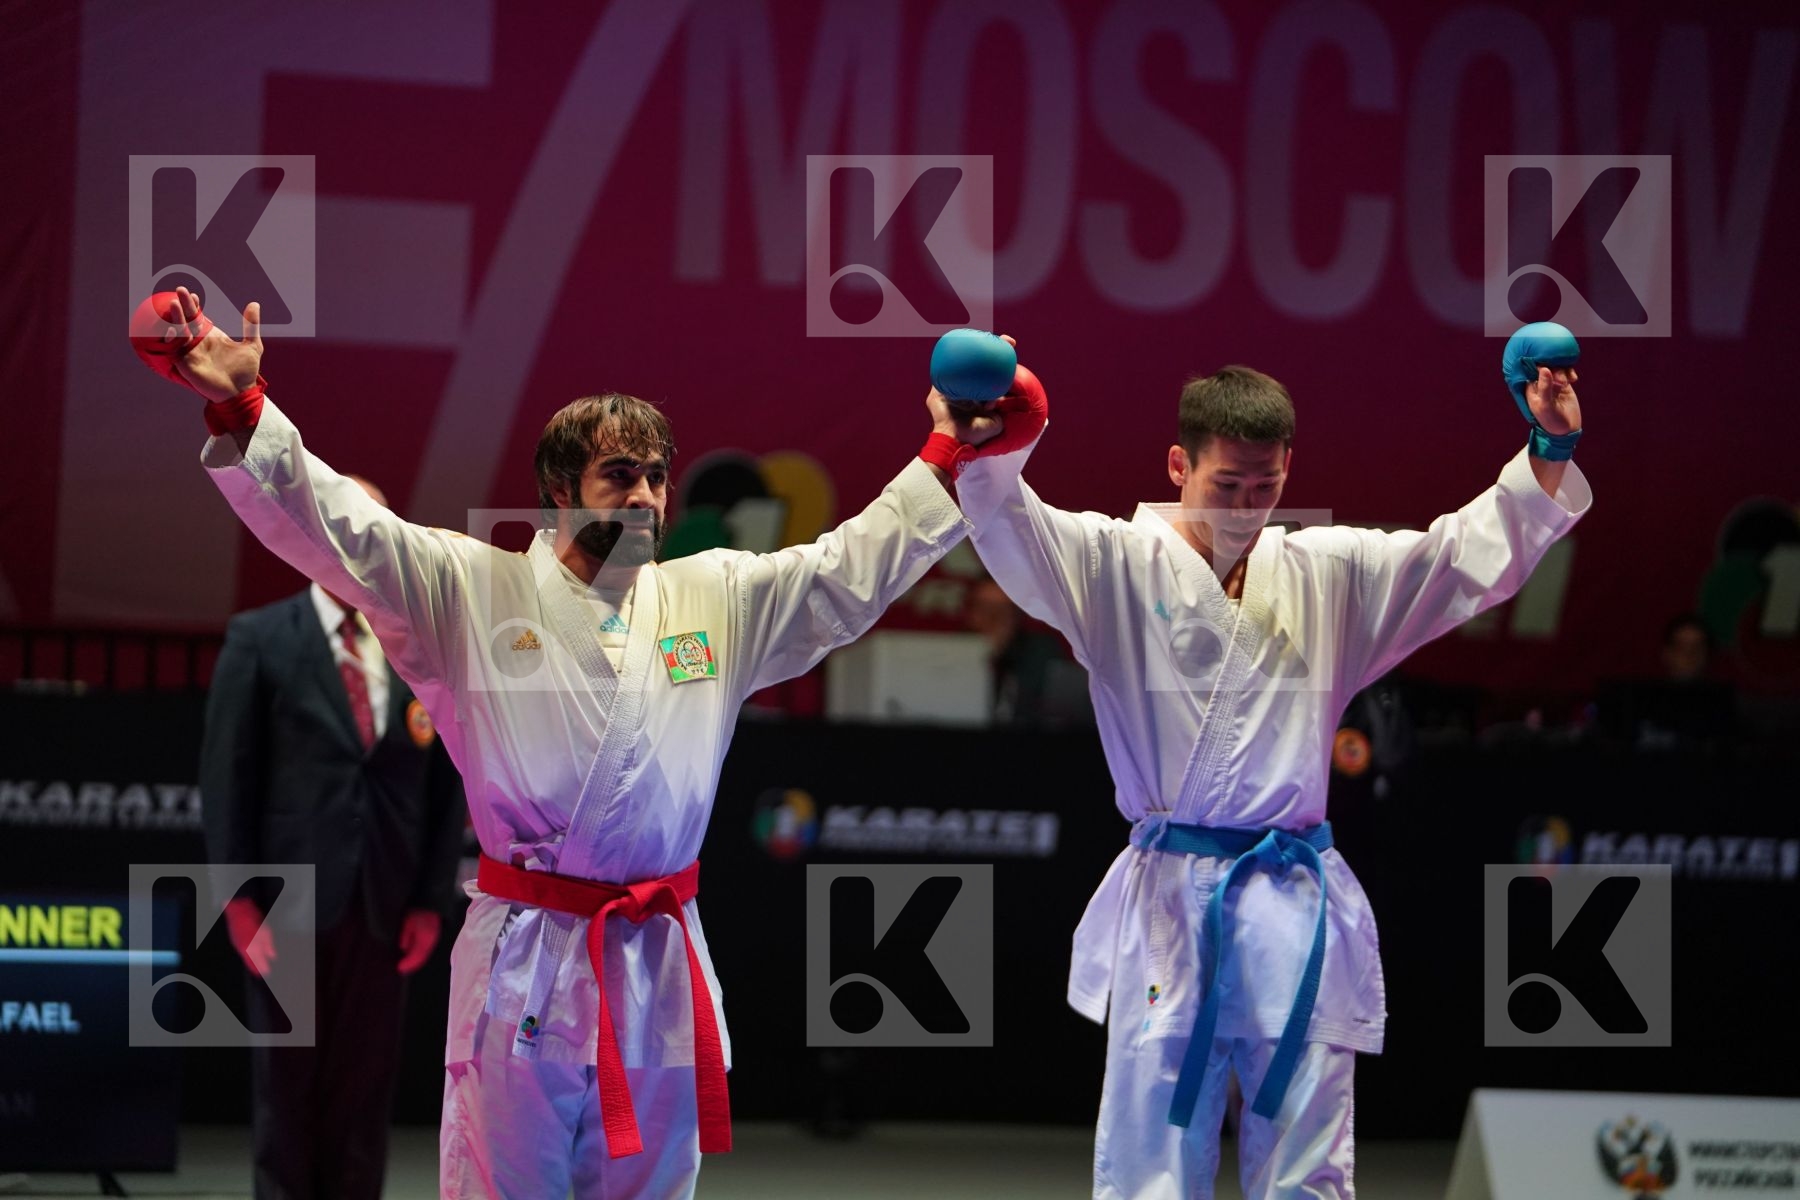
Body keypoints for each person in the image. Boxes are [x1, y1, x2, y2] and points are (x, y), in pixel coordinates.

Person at [133, 287, 1011, 1198]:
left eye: (655, 477)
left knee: (650, 1189)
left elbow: (849, 571)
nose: (643, 496)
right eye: (617, 476)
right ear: (558, 491)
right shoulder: (470, 592)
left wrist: (948, 451)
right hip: (529, 956)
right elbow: (346, 532)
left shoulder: (716, 595)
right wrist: (245, 408)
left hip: (658, 955)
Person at [955, 359, 1590, 1198]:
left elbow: (1460, 558)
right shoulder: (1110, 564)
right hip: (1170, 902)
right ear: (1178, 466)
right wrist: (999, 438)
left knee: (1308, 1160)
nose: (1249, 507)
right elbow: (1009, 524)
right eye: (1227, 484)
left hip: (1292, 899)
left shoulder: (1328, 573)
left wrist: (1548, 444)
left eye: (1268, 485)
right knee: (1150, 1159)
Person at [200, 472, 468, 1200]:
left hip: (384, 905)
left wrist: (429, 902)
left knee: (364, 1088)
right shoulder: (261, 638)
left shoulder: (420, 651)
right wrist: (238, 905)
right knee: (286, 1089)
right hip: (286, 905)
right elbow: (228, 779)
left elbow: (447, 789)